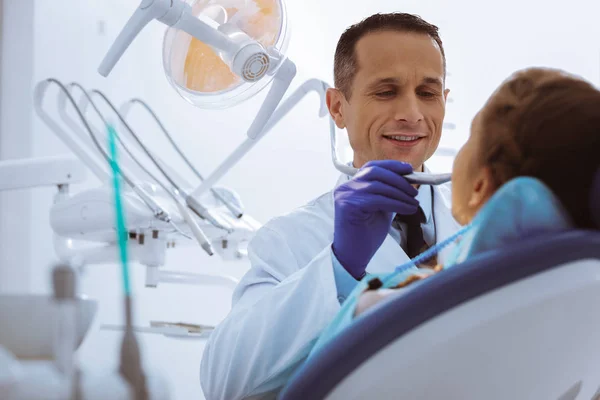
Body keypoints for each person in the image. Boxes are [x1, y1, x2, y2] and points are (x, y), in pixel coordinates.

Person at [200, 12, 461, 400]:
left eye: (427, 92)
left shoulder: (482, 218)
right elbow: (225, 380)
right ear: (338, 107)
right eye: (386, 91)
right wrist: (340, 265)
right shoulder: (290, 239)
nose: (412, 113)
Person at [339, 66, 600, 326]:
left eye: (472, 136)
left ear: (480, 186)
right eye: (386, 92)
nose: (411, 115)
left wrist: (349, 278)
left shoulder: (380, 307)